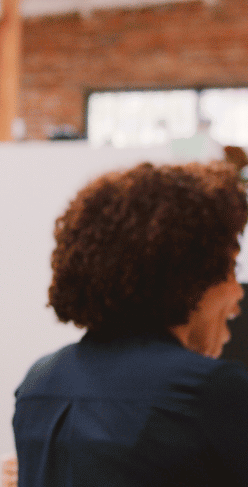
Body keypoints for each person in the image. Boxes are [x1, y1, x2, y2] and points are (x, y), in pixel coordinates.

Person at [13, 161, 248, 487]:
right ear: (189, 272)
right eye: (230, 268)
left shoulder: (39, 382)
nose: (237, 291)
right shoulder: (210, 391)